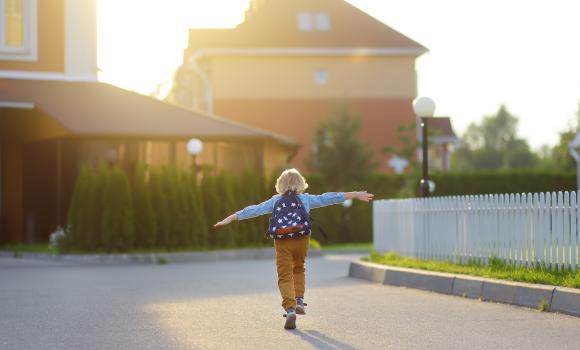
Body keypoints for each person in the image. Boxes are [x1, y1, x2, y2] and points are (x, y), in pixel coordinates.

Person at [214, 168, 374, 329]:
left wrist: (230, 218)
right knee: (298, 268)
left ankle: (290, 309)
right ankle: (299, 300)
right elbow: (327, 198)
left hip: (282, 240)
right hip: (302, 238)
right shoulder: (306, 199)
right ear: (301, 184)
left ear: (280, 184)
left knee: (284, 274)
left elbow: (254, 210)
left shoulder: (275, 200)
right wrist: (355, 194)